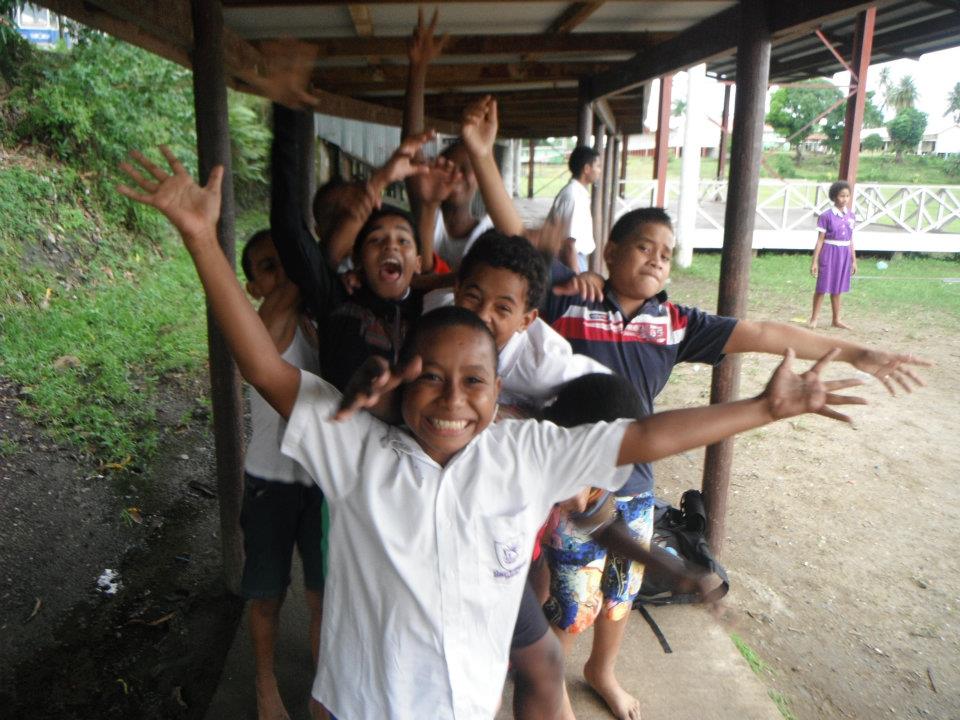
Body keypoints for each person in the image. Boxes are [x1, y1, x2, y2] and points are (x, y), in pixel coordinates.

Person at [117, 146, 866, 720]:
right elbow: (261, 365)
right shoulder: (351, 445)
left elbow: (647, 437)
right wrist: (200, 239)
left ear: (499, 388)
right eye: (432, 376)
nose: (452, 397)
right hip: (355, 705)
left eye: (473, 381)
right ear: (405, 373)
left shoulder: (525, 452)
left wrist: (766, 410)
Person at [540, 206, 929, 720]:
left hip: (634, 478)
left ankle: (602, 671)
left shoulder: (675, 323)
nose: (657, 259)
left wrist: (856, 353)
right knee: (570, 600)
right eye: (643, 246)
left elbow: (765, 333)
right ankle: (552, 687)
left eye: (666, 253)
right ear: (609, 252)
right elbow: (512, 259)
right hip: (574, 483)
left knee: (622, 587)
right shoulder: (571, 300)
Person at [238, 230, 324, 720]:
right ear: (252, 288)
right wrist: (310, 262)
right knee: (267, 595)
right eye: (267, 267)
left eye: (284, 261)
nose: (281, 273)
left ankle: (322, 683)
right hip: (269, 482)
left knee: (321, 595)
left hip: (318, 482)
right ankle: (264, 682)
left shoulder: (317, 317)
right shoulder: (263, 322)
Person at [402, 10, 525, 272]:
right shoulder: (428, 216)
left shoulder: (493, 231)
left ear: (481, 182)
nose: (459, 175)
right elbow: (411, 149)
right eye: (450, 167)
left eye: (468, 169)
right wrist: (417, 69)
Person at [542, 145, 602, 272]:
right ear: (586, 168)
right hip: (571, 260)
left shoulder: (577, 193)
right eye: (597, 166)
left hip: (574, 258)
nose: (599, 171)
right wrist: (577, 278)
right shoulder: (573, 196)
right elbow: (569, 244)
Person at [809, 180, 857, 329]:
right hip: (829, 252)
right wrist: (815, 261)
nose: (845, 199)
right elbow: (820, 240)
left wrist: (853, 260)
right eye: (842, 196)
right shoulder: (826, 216)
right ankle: (814, 319)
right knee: (822, 287)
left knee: (837, 288)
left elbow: (850, 240)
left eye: (847, 196)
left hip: (844, 254)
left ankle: (836, 319)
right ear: (834, 197)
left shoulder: (851, 216)